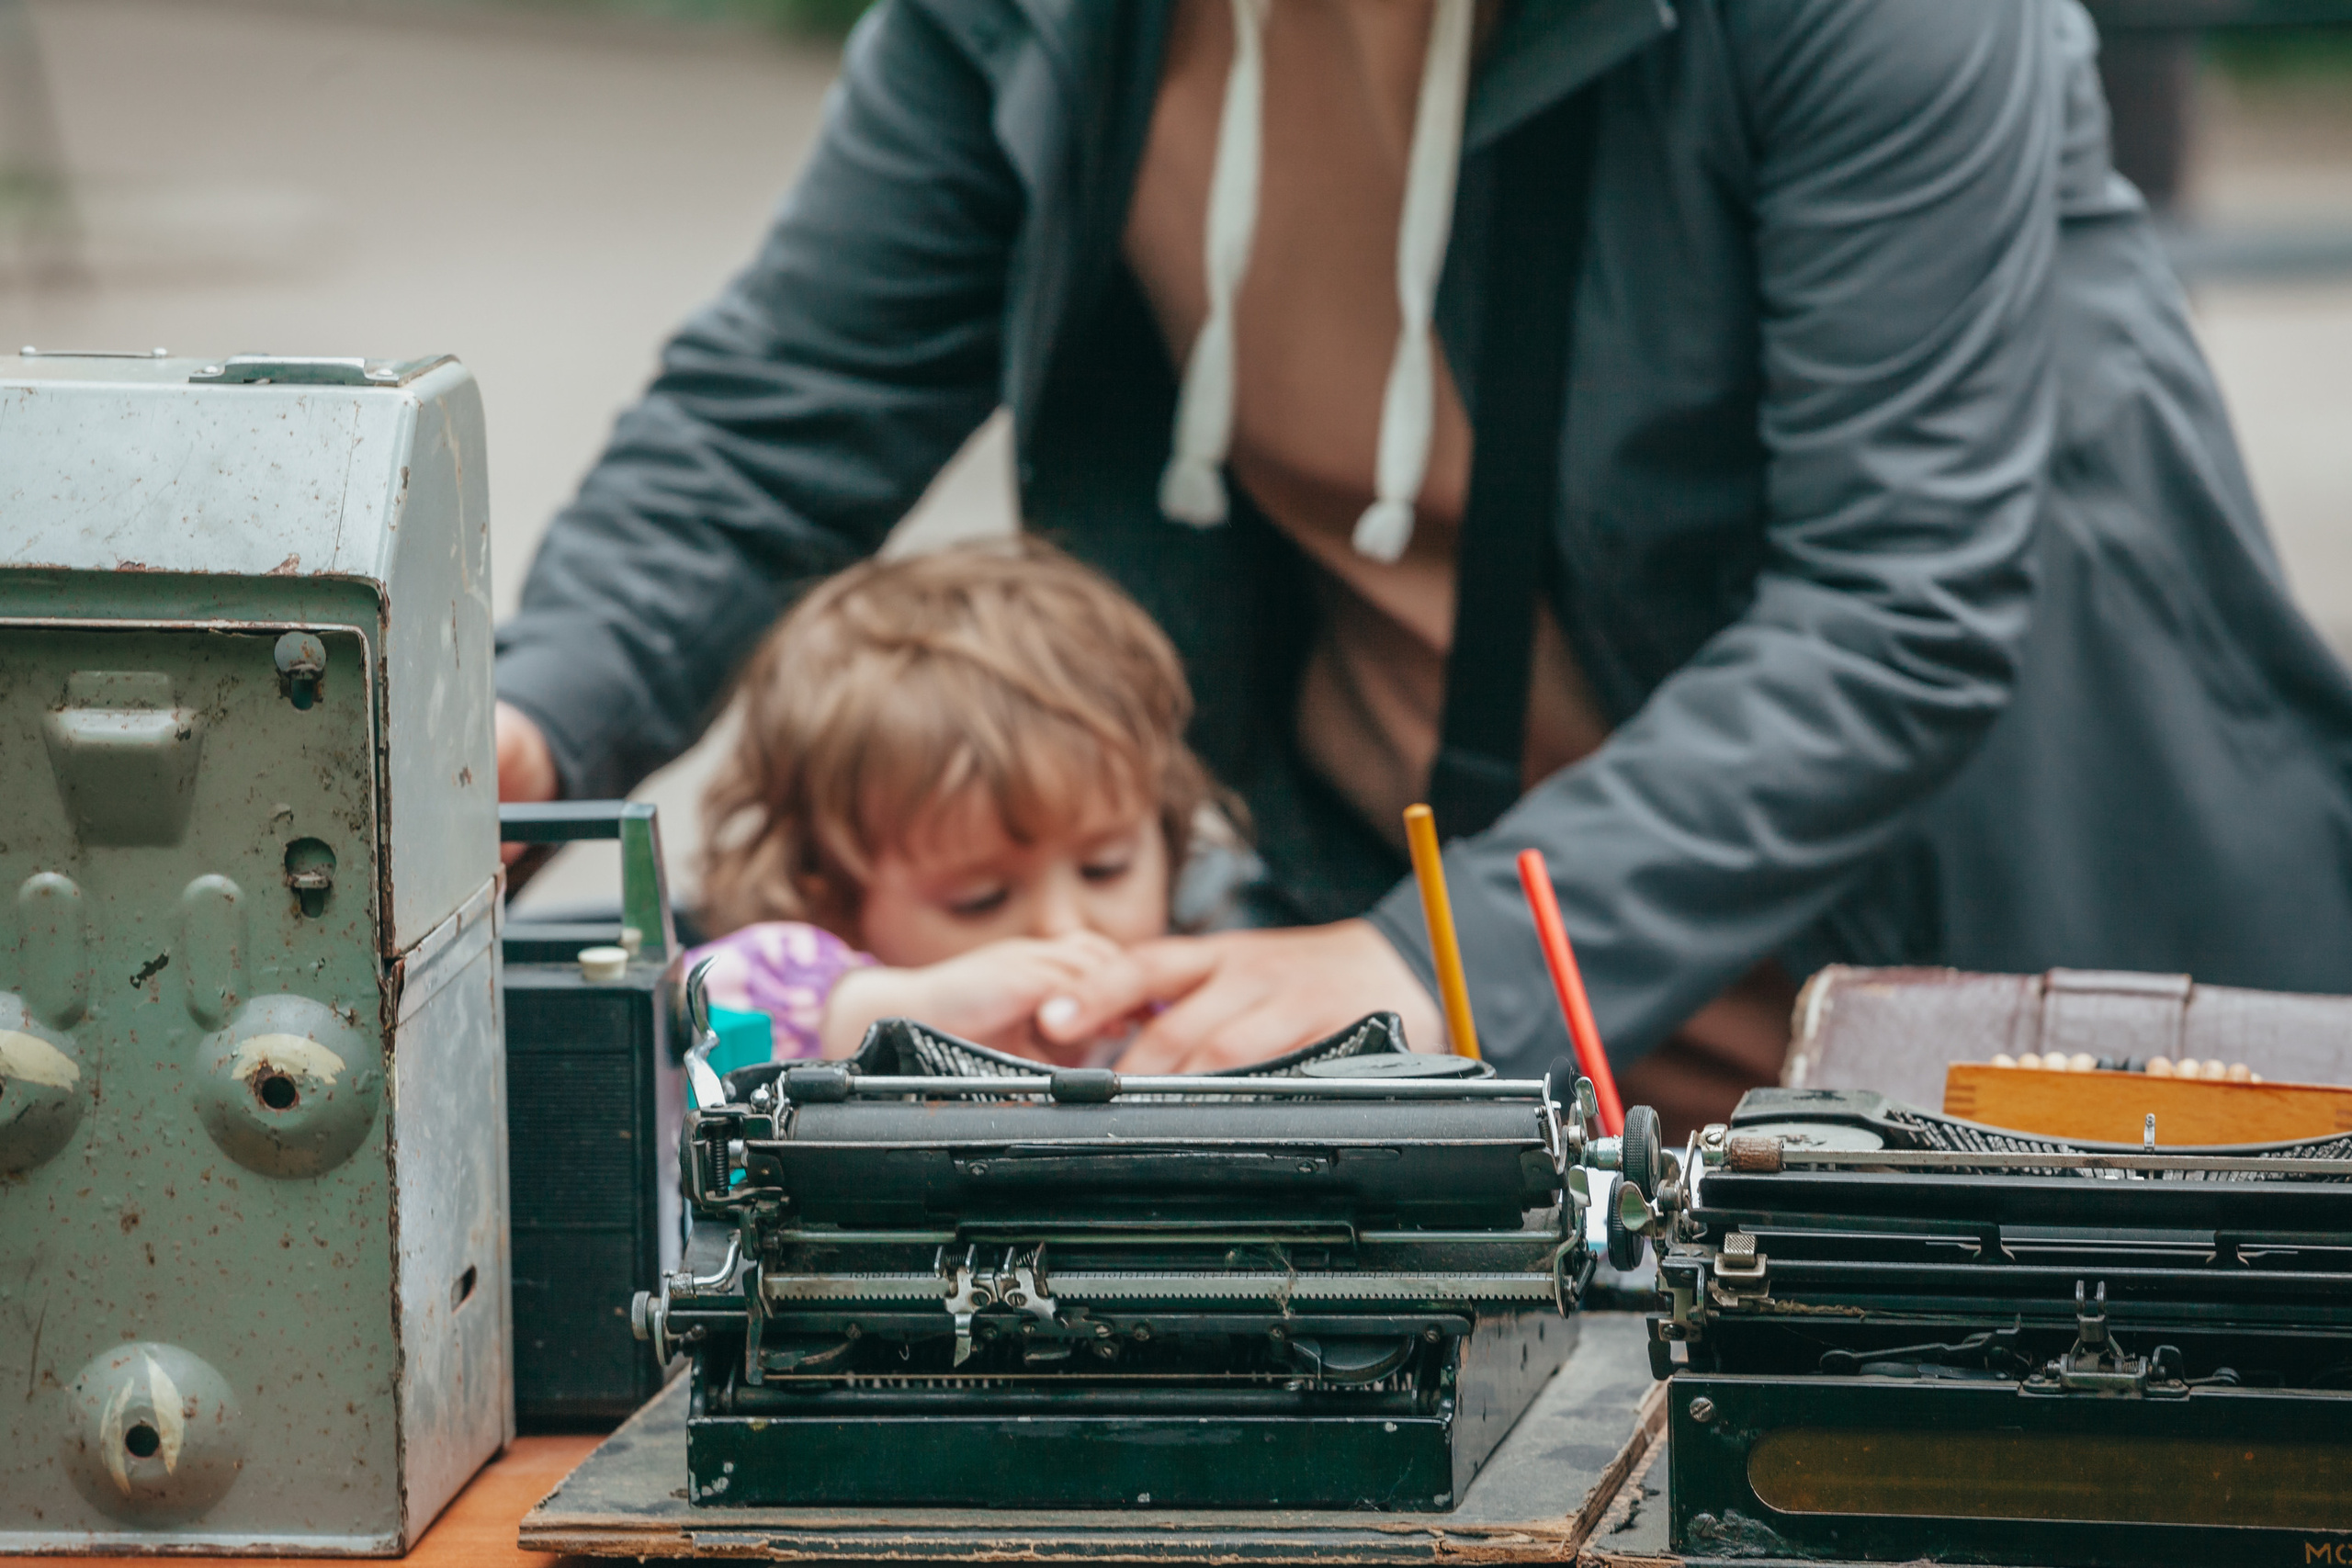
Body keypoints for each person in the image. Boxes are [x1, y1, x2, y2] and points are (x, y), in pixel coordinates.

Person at [496, 0, 2352, 1123]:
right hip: (1429, 1004)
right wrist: (517, 721)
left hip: (1981, 993)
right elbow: (774, 413)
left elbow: (1896, 609)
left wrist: (1424, 959)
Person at [684, 538, 1222, 1063]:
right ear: (834, 901)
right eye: (980, 899)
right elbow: (684, 1016)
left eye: (1106, 869)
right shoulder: (811, 1007)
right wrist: (901, 1014)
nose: (1064, 927)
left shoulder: (1196, 1012)